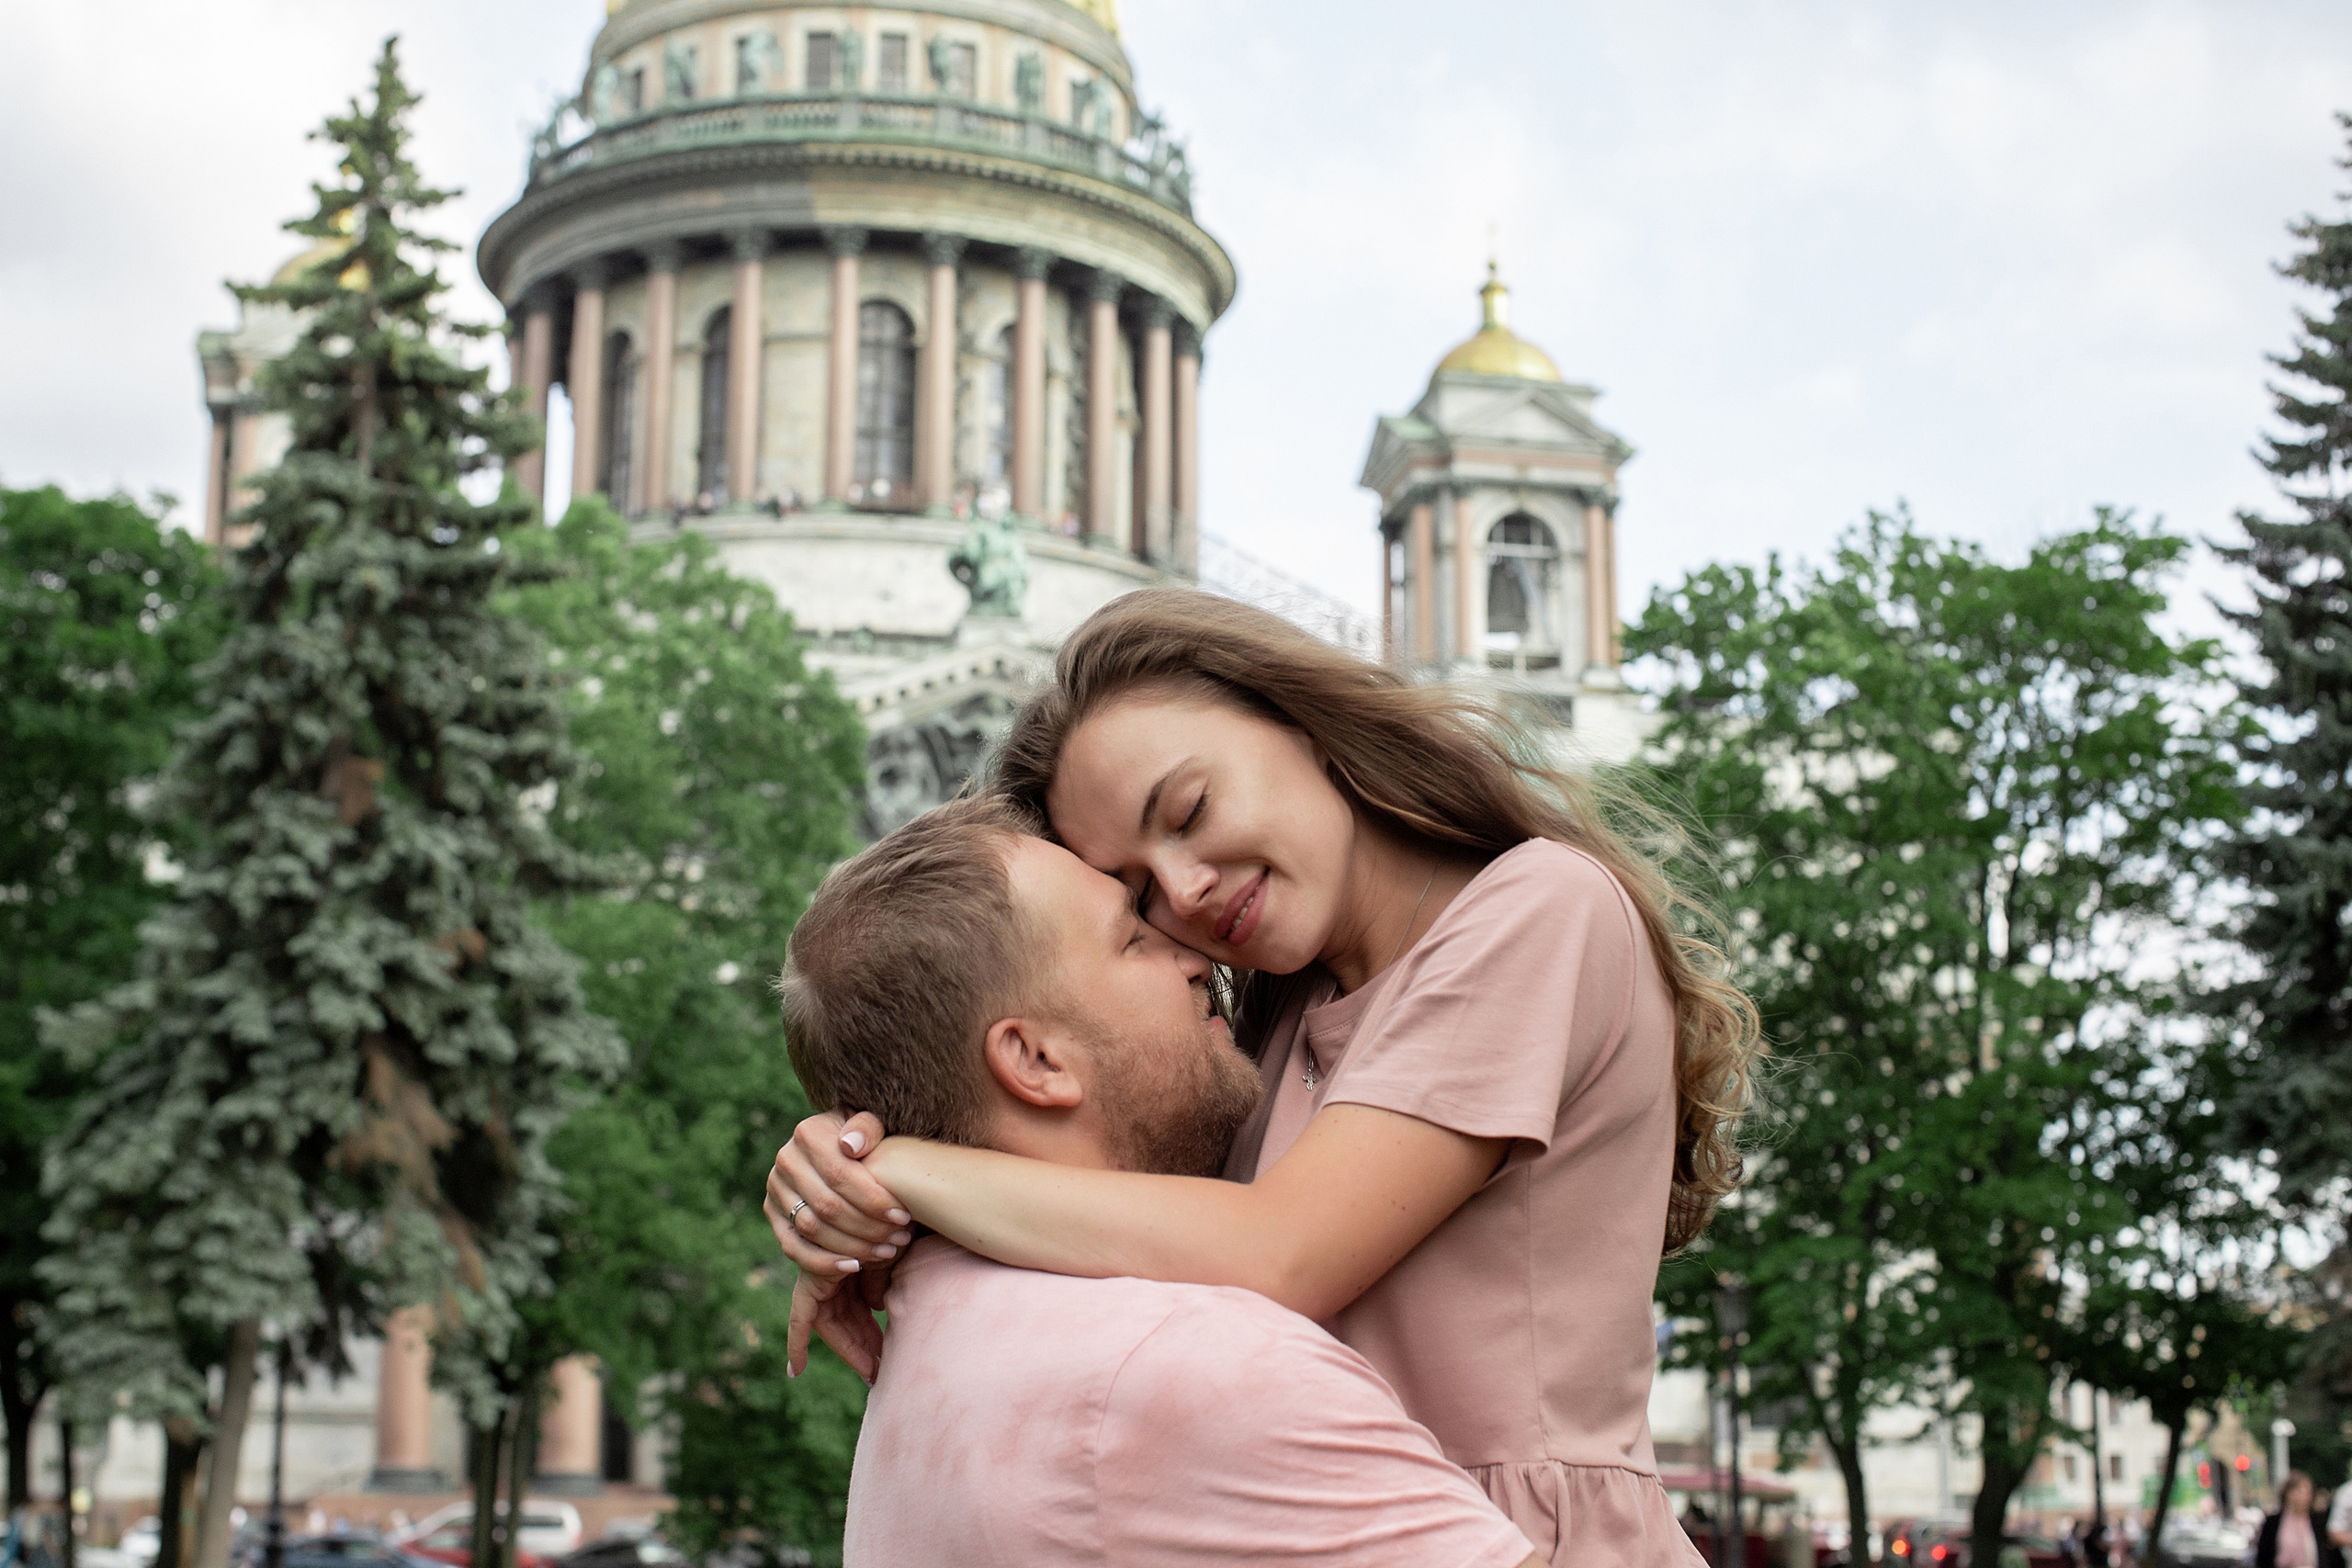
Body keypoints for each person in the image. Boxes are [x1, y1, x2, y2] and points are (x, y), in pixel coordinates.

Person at [767, 589, 1763, 1567]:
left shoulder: (1536, 910)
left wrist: (910, 1169)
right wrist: (845, 1184)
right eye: (1139, 893)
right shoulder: (1283, 999)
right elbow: (1134, 1224)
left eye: (1190, 811)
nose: (1187, 888)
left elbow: (1280, 1255)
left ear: (1304, 725)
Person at [781, 795, 1543, 1568]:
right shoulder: (1190, 1364)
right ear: (1036, 1060)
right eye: (1134, 937)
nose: (1194, 956)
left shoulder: (929, 1349)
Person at [2257, 1472, 2345, 1568]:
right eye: (2299, 1491)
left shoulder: (2318, 1522)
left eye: (2308, 1492)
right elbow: (2264, 1556)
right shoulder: (2273, 1522)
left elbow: (2331, 1555)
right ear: (2288, 1493)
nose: (2304, 1497)